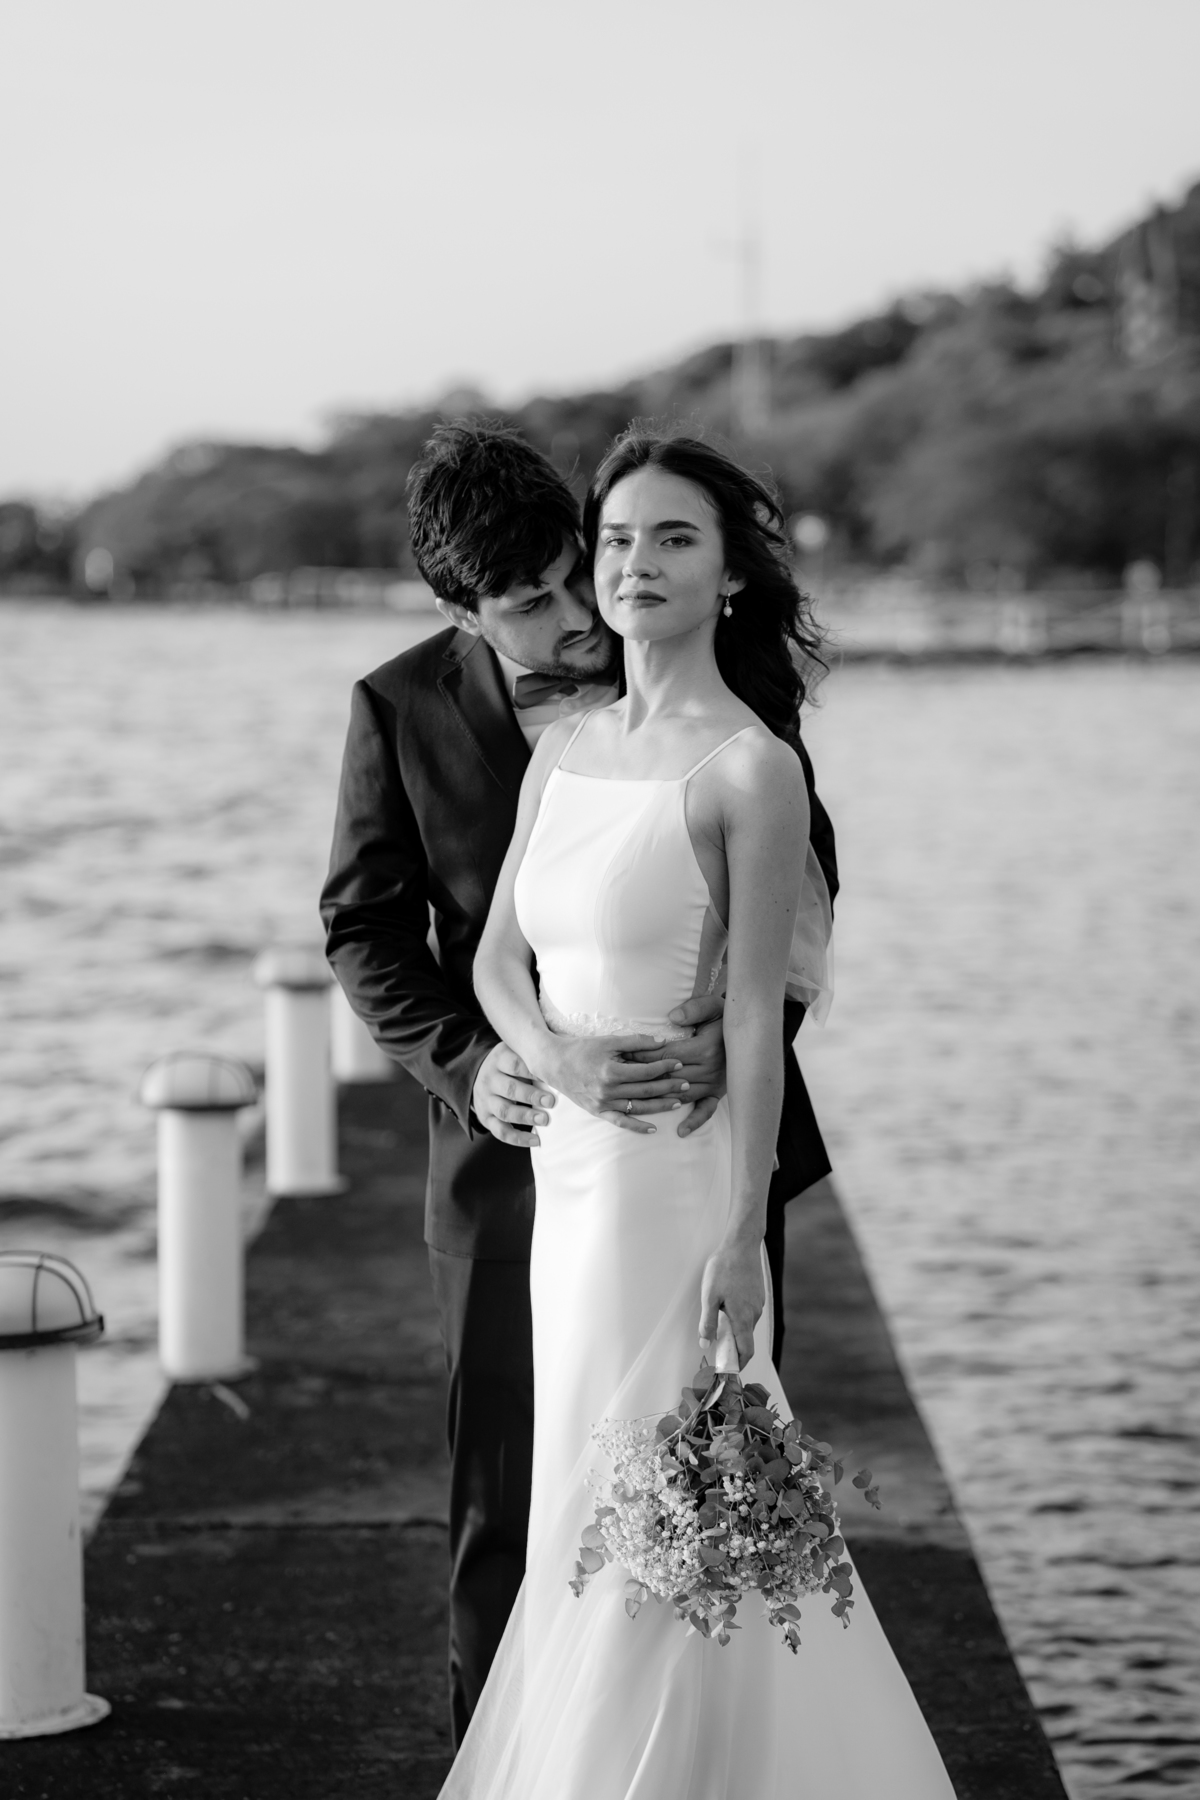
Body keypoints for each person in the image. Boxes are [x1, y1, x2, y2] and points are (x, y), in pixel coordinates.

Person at [443, 428, 955, 1797]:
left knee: (673, 1499)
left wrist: (742, 1239)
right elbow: (496, 958)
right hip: (573, 1179)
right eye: (616, 541)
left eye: (674, 538)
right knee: (577, 1490)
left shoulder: (752, 770)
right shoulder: (564, 746)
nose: (636, 564)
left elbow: (752, 1024)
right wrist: (550, 1055)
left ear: (730, 576)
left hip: (676, 1193)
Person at [320, 421, 836, 1747]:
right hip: (507, 1171)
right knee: (512, 1501)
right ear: (459, 611)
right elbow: (365, 929)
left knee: (710, 1487)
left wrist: (741, 1030)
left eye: (574, 572)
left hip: (697, 1146)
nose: (575, 618)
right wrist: (483, 1062)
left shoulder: (718, 692)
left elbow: (806, 888)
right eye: (529, 605)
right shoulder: (398, 707)